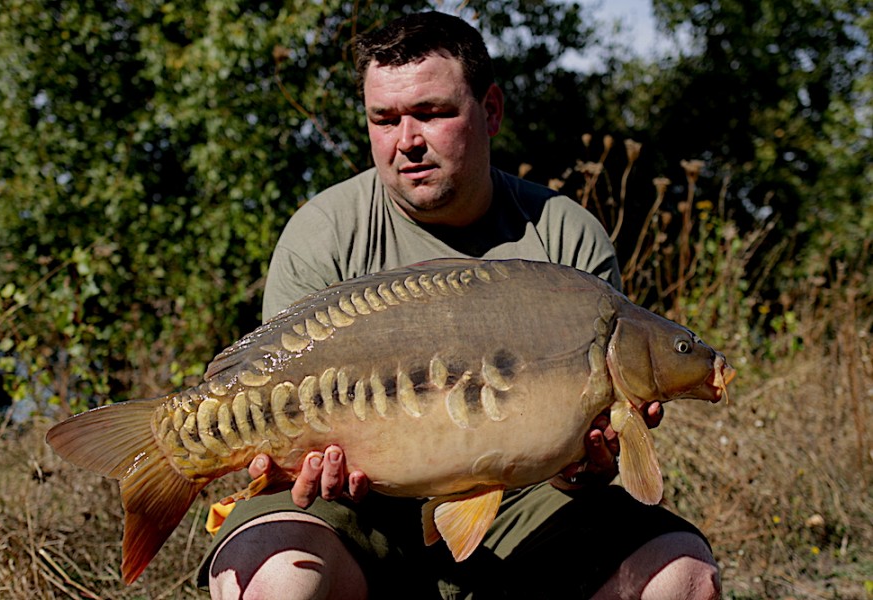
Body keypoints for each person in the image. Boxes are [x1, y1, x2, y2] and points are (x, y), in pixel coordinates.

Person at [198, 11, 721, 600]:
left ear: (490, 109)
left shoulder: (564, 236)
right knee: (270, 580)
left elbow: (591, 454)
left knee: (683, 577)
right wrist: (308, 470)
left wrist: (588, 464)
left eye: (432, 113)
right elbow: (276, 408)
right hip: (360, 513)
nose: (407, 141)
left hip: (529, 504)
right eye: (384, 119)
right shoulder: (324, 233)